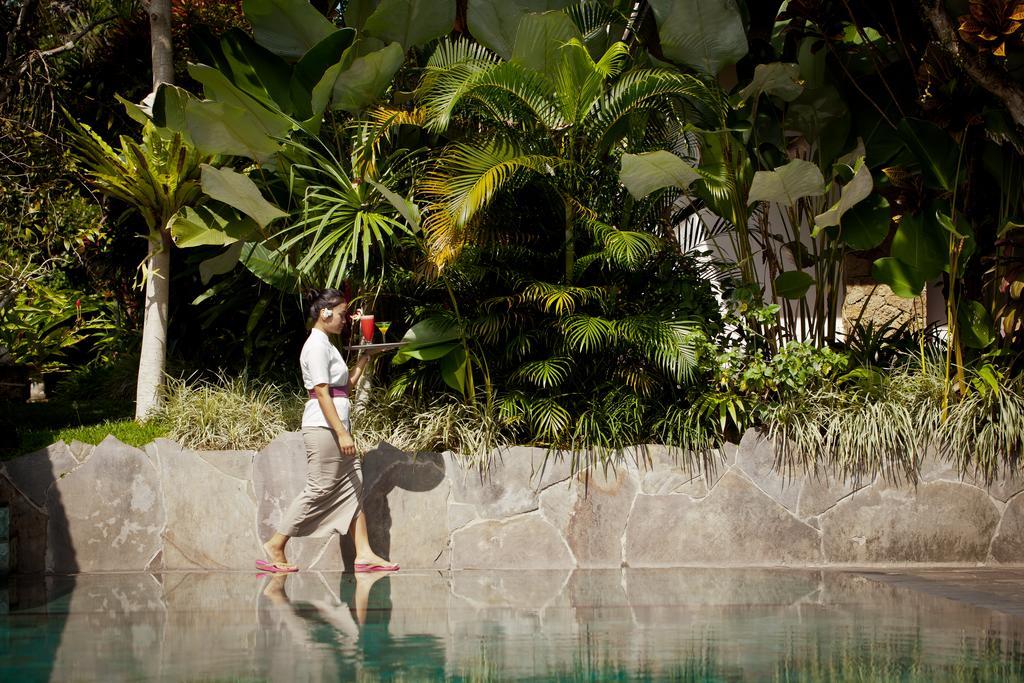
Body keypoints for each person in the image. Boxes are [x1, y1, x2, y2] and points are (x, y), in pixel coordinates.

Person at [258, 288, 398, 574]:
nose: (345, 319)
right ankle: (276, 543)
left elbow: (342, 389)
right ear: (325, 313)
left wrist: (365, 358)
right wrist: (342, 433)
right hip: (324, 429)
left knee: (353, 486)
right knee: (319, 488)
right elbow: (321, 392)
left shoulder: (327, 344)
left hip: (335, 426)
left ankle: (364, 554)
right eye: (342, 314)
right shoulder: (316, 346)